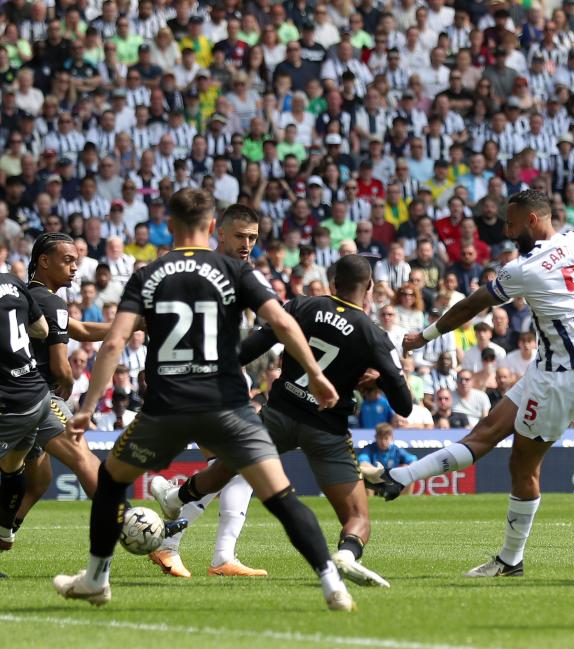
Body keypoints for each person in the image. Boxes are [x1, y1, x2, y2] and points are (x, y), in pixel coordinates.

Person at [51, 189, 355, 612]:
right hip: (227, 407)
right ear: (213, 227)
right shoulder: (234, 270)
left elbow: (116, 341)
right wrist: (317, 375)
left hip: (165, 409)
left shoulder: (149, 273)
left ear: (170, 226)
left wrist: (86, 407)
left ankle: (97, 578)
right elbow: (283, 323)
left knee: (111, 482)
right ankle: (331, 584)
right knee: (281, 496)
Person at [366, 189, 574, 577]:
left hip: (562, 379)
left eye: (512, 224)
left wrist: (422, 337)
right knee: (487, 431)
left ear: (531, 218)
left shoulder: (524, 267)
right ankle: (400, 477)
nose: (508, 233)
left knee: (522, 465)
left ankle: (511, 560)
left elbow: (472, 305)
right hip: (553, 366)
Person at [153, 252, 411, 588]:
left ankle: (177, 499)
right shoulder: (373, 334)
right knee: (358, 517)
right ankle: (346, 554)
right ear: (371, 288)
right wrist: (379, 379)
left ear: (333, 283)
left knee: (229, 466)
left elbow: (248, 350)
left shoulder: (301, 306)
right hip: (326, 428)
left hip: (279, 415)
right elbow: (404, 405)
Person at [147, 204, 276, 578]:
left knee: (236, 469)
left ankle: (207, 552)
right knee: (241, 464)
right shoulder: (197, 270)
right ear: (219, 231)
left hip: (221, 387)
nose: (247, 244)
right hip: (194, 386)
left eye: (253, 237)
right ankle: (177, 537)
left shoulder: (239, 274)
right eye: (240, 236)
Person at [13, 234, 111, 535]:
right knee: (82, 456)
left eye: (76, 262)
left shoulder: (29, 297)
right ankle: (130, 524)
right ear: (44, 261)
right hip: (38, 397)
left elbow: (79, 329)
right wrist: (67, 381)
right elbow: (60, 366)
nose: (74, 268)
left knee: (38, 480)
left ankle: (6, 529)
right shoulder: (52, 301)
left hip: (18, 398)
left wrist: (131, 324)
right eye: (67, 260)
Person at [0, 272, 51, 561]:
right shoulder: (14, 281)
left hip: (12, 403)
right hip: (37, 393)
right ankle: (5, 531)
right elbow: (42, 330)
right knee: (12, 465)